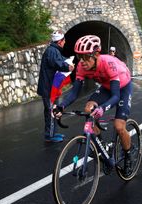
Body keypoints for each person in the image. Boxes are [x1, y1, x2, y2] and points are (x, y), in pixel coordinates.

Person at [53, 35, 134, 176]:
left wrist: (102, 109)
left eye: (86, 57)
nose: (82, 62)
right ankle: (102, 149)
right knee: (88, 108)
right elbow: (74, 92)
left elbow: (115, 96)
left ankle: (128, 155)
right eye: (79, 57)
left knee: (119, 126)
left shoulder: (109, 64)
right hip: (106, 87)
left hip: (122, 87)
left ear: (96, 55)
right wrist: (62, 106)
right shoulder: (81, 66)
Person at [37, 30, 75, 143]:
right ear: (60, 41)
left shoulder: (53, 50)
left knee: (53, 110)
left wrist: (67, 60)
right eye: (64, 40)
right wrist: (68, 67)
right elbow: (56, 63)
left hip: (50, 86)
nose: (65, 42)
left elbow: (59, 59)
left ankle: (53, 132)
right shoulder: (52, 51)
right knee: (51, 111)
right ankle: (49, 135)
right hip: (48, 88)